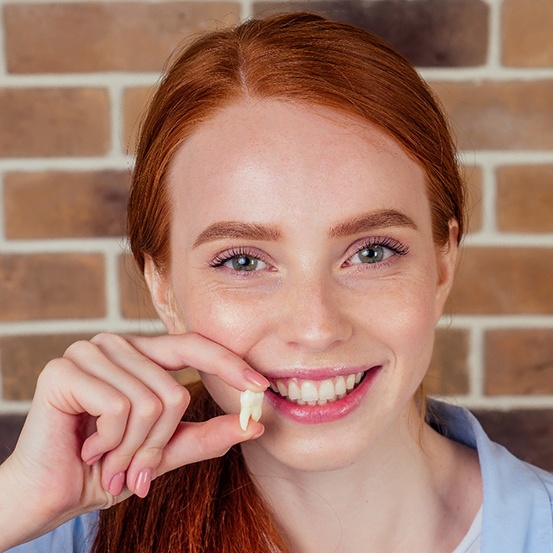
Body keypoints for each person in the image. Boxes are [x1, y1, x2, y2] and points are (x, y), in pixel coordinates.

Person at [1, 11, 552, 553]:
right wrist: (18, 502)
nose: (316, 328)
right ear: (162, 287)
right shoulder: (58, 530)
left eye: (372, 251)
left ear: (443, 264)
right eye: (243, 262)